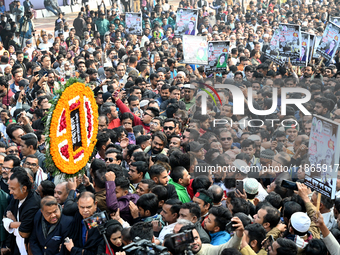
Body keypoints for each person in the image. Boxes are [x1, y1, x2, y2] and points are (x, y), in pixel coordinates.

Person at [2, 167, 41, 254]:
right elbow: (5, 215)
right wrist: (18, 223)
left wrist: (12, 222)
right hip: (16, 245)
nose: (10, 192)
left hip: (29, 248)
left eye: (13, 189)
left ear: (24, 189)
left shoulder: (33, 204)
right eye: (10, 188)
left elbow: (24, 233)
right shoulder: (17, 196)